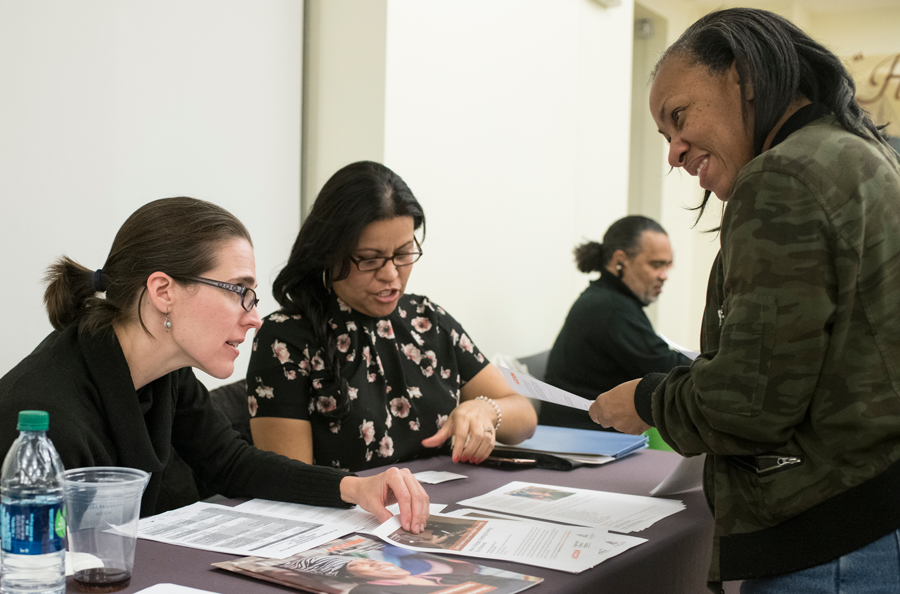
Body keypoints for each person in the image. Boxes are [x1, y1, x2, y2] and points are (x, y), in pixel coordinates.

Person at [589, 8, 900, 593]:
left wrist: (648, 397)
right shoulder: (861, 154)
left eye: (679, 118)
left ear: (742, 76)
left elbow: (750, 403)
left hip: (828, 542)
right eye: (665, 136)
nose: (675, 154)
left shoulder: (782, 176)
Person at [0, 197, 429, 532]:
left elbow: (230, 462)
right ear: (163, 291)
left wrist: (354, 488)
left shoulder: (163, 369)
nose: (254, 316)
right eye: (238, 290)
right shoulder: (48, 420)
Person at [246, 161, 537, 472]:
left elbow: (525, 416)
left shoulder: (427, 321)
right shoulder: (286, 339)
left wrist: (486, 409)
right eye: (370, 260)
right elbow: (292, 481)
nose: (391, 274)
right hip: (352, 515)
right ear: (329, 253)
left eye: (403, 254)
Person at [540, 215, 691, 431]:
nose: (664, 275)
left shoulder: (605, 298)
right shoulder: (612, 309)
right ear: (620, 260)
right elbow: (672, 372)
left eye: (667, 265)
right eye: (656, 265)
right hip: (584, 440)